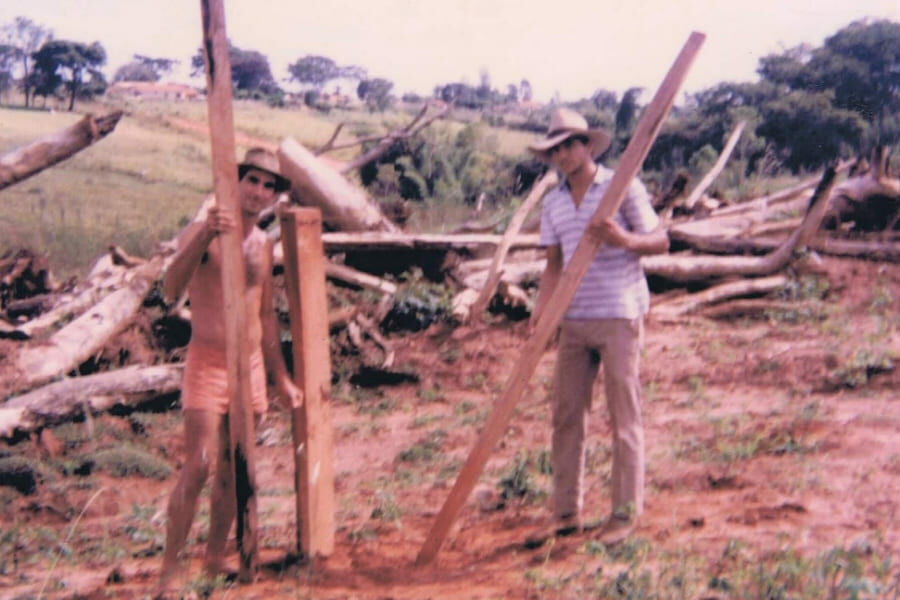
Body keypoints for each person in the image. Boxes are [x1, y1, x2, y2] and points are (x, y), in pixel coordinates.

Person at [158, 148, 303, 590]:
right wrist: (204, 233)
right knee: (199, 465)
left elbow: (263, 316)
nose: (259, 191)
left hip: (252, 367)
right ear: (237, 181)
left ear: (275, 197)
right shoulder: (205, 231)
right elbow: (169, 288)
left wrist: (281, 378)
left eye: (268, 185)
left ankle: (215, 557)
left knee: (234, 468)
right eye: (253, 181)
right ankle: (169, 570)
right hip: (207, 362)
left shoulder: (263, 244)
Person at [527, 108, 668, 545]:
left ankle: (624, 516)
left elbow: (659, 240)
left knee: (623, 415)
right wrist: (541, 313)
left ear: (588, 145)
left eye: (571, 145)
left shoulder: (620, 188)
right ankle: (566, 513)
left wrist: (623, 240)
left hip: (619, 314)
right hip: (574, 320)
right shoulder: (552, 202)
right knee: (567, 415)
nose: (565, 155)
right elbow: (553, 266)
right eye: (556, 149)